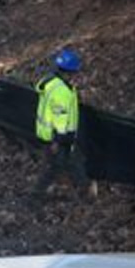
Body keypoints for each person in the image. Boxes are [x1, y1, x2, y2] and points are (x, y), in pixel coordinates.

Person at [33, 48, 89, 198]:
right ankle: (37, 194)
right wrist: (58, 140)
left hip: (50, 134)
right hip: (58, 136)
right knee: (54, 167)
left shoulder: (53, 83)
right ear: (69, 72)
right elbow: (61, 118)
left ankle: (83, 189)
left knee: (71, 161)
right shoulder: (62, 92)